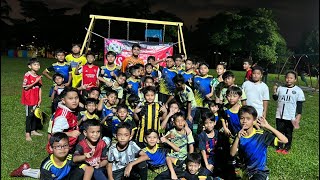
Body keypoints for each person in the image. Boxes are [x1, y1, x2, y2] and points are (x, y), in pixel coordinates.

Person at [230, 105, 288, 180]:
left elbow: (285, 140)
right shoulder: (239, 136)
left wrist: (268, 126)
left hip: (260, 172)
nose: (244, 121)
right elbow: (232, 153)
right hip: (246, 172)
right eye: (242, 118)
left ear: (254, 121)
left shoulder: (261, 135)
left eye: (248, 118)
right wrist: (237, 138)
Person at [10, 132, 93, 179]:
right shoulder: (47, 166)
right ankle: (24, 171)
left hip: (63, 176)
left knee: (82, 168)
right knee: (44, 173)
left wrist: (85, 156)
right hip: (50, 176)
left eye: (65, 146)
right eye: (58, 146)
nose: (62, 149)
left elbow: (77, 160)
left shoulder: (68, 157)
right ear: (51, 148)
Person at [272, 70, 305, 154]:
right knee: (279, 131)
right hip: (279, 114)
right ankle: (279, 146)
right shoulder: (281, 88)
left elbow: (299, 104)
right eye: (287, 78)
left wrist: (299, 115)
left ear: (295, 80)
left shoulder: (298, 90)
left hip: (290, 116)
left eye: (291, 78)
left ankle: (287, 146)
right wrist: (275, 91)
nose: (289, 80)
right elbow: (275, 98)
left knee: (288, 132)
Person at [46, 87, 81, 154]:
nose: (74, 101)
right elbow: (55, 133)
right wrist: (71, 133)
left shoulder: (70, 109)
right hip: (62, 149)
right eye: (70, 98)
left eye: (76, 98)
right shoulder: (63, 115)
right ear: (63, 100)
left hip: (68, 146)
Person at [163, 112, 195, 180]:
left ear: (184, 121)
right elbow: (162, 139)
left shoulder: (187, 132)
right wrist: (168, 136)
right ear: (174, 123)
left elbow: (191, 146)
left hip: (184, 156)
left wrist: (190, 158)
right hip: (174, 157)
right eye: (178, 121)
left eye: (182, 120)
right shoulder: (171, 132)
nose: (180, 123)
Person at [21, 58, 43, 141]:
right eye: (35, 64)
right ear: (30, 66)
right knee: (29, 116)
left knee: (34, 115)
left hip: (36, 99)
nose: (37, 66)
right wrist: (35, 81)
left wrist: (40, 99)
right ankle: (27, 134)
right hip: (28, 99)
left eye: (38, 64)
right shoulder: (27, 75)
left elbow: (40, 88)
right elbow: (25, 87)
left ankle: (33, 131)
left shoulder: (38, 76)